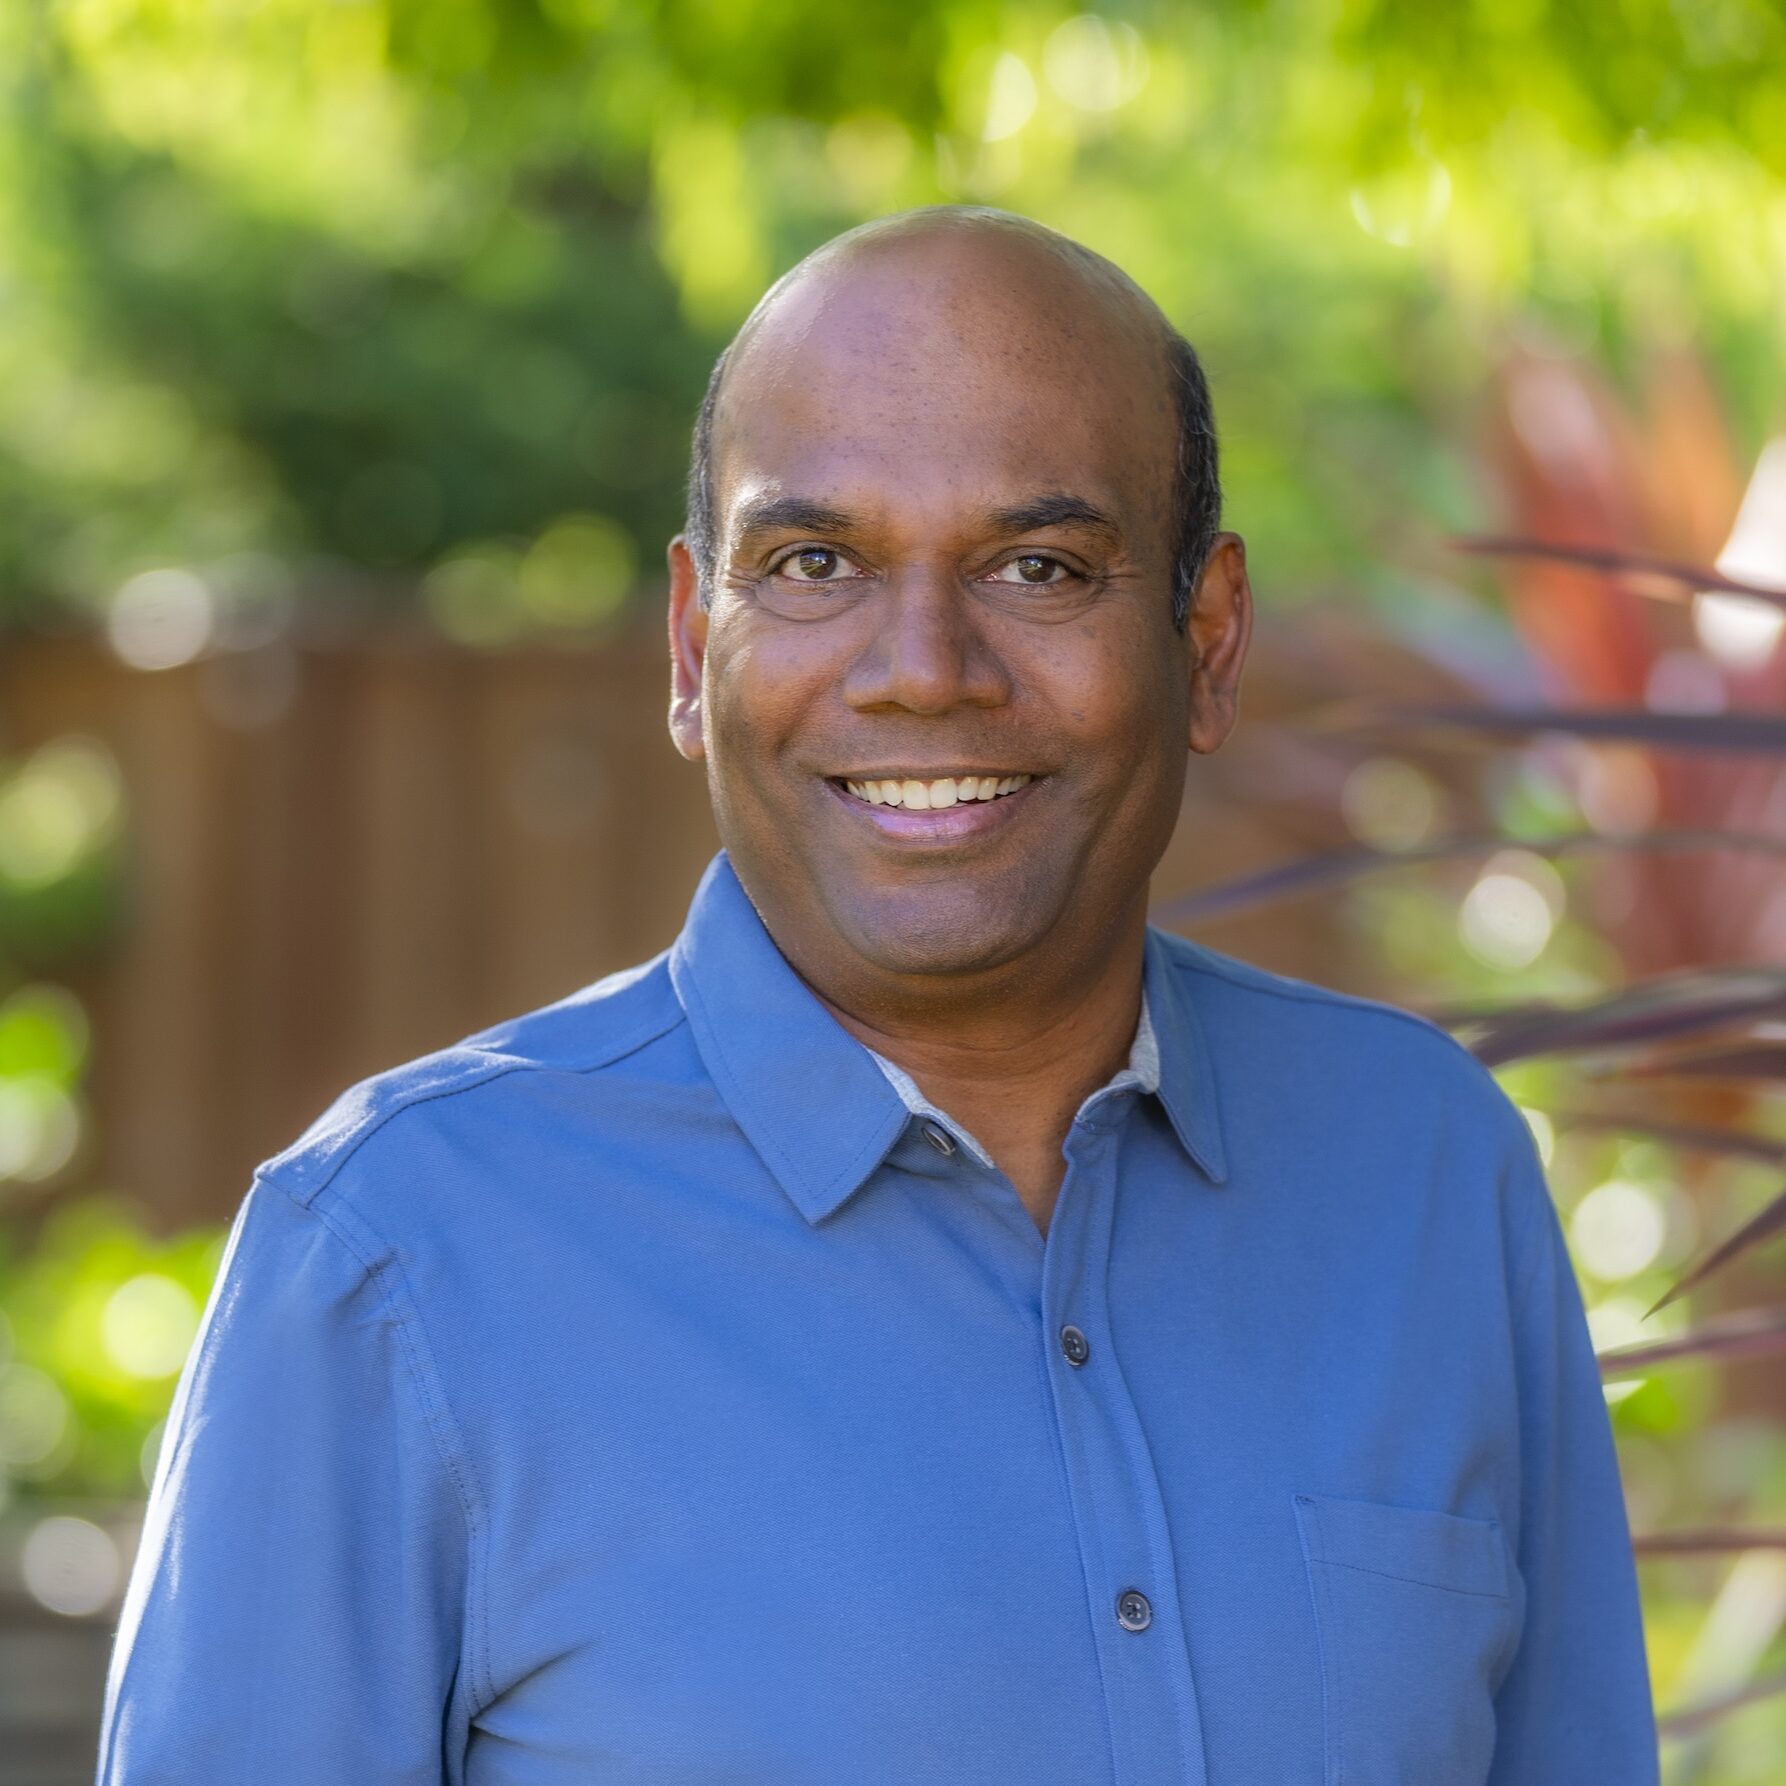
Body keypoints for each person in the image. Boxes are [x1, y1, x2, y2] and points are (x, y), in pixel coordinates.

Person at [94, 206, 1658, 1785]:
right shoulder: (399, 1255)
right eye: (816, 561)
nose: (922, 666)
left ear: (1207, 634)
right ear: (696, 642)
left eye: (1037, 565)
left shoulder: (1426, 1170)